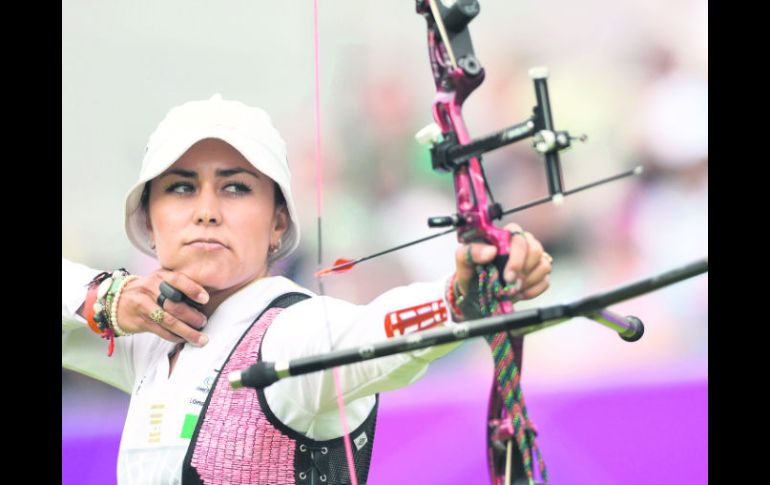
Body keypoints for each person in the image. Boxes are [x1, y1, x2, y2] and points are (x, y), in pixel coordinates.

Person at [61, 94, 552, 484]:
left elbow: (373, 332)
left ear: (278, 222)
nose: (206, 210)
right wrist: (100, 298)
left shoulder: (294, 331)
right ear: (149, 218)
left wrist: (459, 298)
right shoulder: (144, 338)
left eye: (235, 187)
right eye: (182, 188)